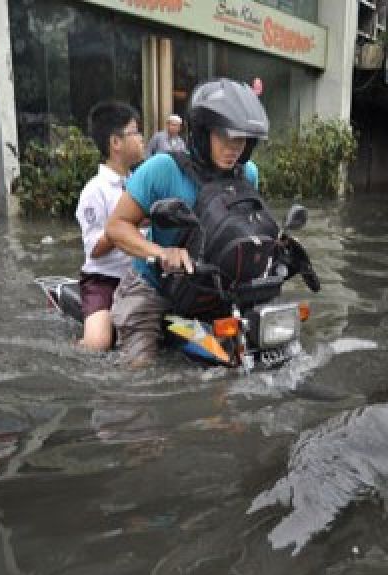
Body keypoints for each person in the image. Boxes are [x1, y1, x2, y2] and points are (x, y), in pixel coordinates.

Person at [103, 79, 268, 366]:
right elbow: (116, 227)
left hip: (211, 288)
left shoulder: (247, 174)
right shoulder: (162, 169)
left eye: (241, 140)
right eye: (225, 137)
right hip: (153, 287)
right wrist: (161, 253)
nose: (234, 149)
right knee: (138, 374)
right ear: (203, 133)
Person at [74, 101, 145, 351]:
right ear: (116, 143)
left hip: (141, 277)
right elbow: (94, 249)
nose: (141, 139)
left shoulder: (140, 183)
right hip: (104, 280)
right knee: (98, 343)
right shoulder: (94, 191)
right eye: (135, 132)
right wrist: (123, 228)